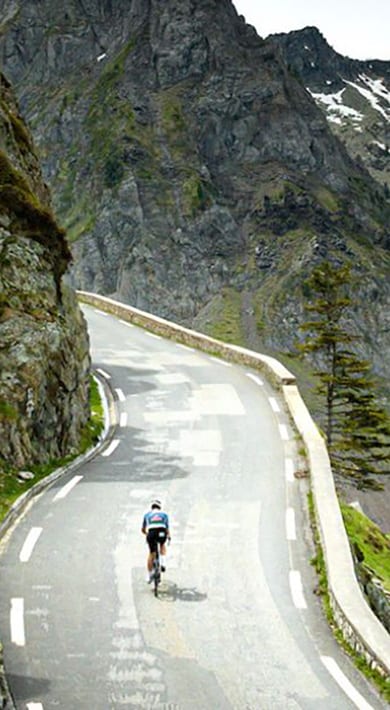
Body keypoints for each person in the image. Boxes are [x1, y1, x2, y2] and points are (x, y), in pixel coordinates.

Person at [141, 499, 171, 583]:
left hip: (152, 533)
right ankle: (163, 562)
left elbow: (143, 529)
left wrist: (147, 534)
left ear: (152, 507)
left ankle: (149, 574)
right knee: (162, 544)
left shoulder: (147, 515)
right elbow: (167, 528)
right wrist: (168, 536)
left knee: (152, 553)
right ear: (159, 507)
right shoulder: (164, 514)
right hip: (162, 532)